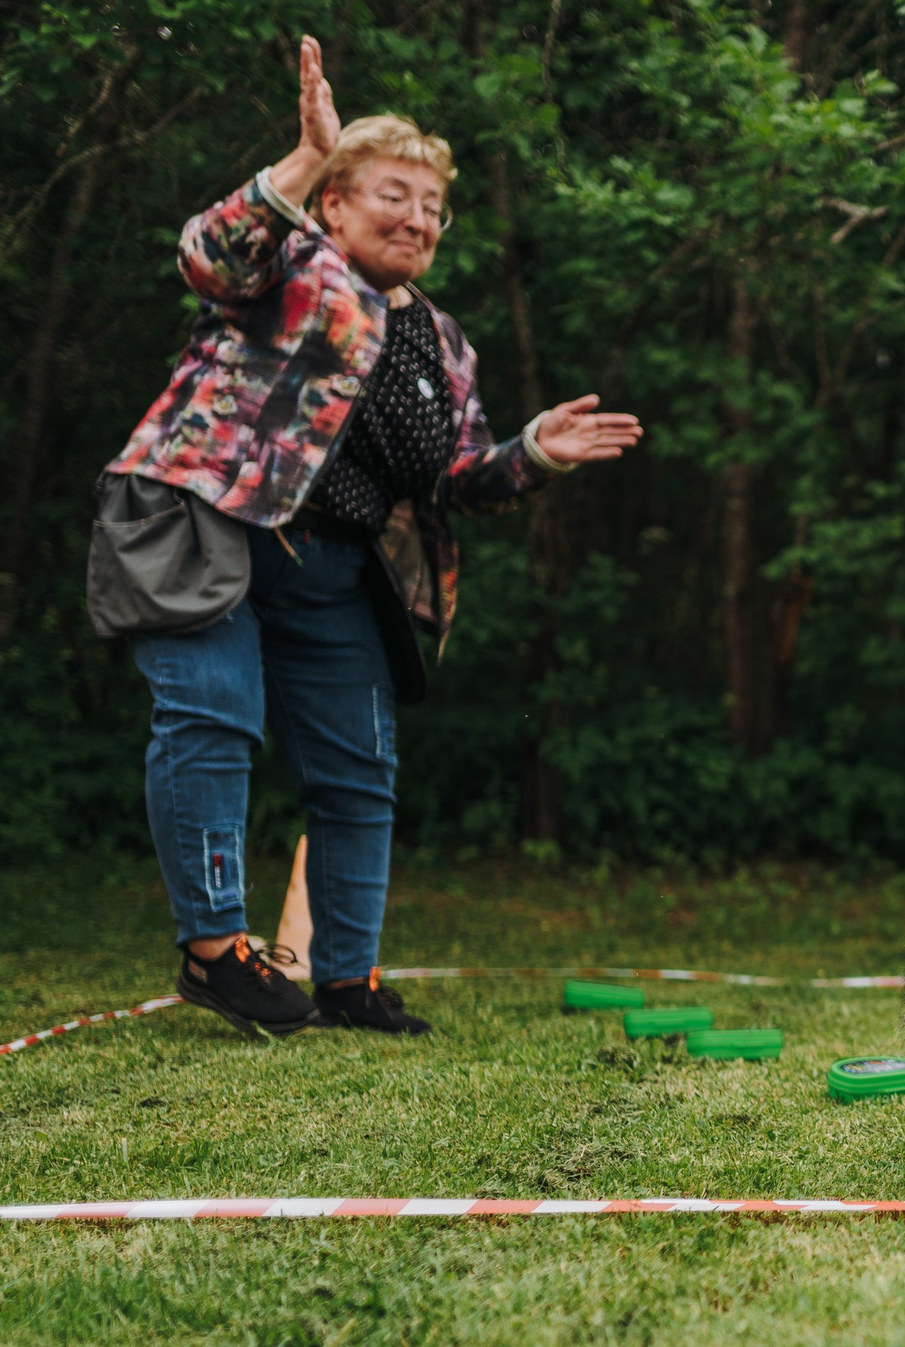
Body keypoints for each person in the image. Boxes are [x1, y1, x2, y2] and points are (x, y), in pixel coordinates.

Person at [92, 38, 642, 1038]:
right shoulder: (286, 258)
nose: (420, 218)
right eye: (397, 194)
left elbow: (459, 475)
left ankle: (348, 979)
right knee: (213, 712)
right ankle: (216, 951)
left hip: (342, 567)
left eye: (434, 207)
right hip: (206, 522)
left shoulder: (443, 340)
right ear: (338, 203)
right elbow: (205, 252)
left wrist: (537, 450)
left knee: (358, 770)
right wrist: (303, 157)